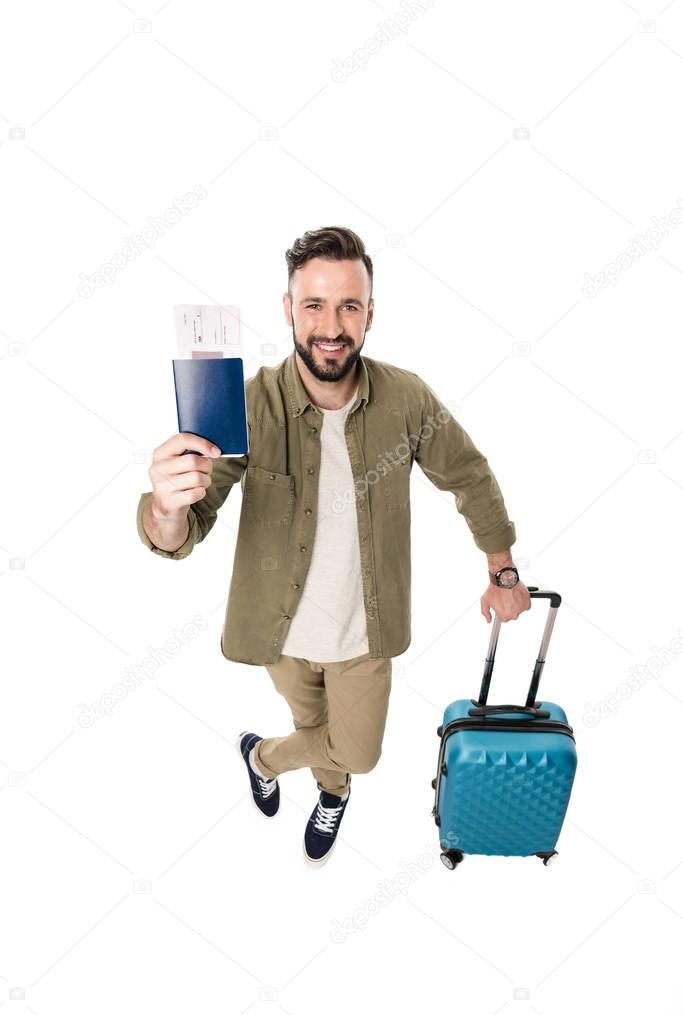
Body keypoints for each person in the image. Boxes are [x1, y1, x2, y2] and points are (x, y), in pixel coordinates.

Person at [136, 225, 531, 867]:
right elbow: (186, 526)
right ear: (289, 310)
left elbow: (468, 475)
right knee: (322, 732)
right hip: (280, 635)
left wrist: (503, 572)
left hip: (364, 634)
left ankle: (262, 757)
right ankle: (329, 793)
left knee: (358, 752)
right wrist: (165, 507)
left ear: (370, 315)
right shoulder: (247, 404)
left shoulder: (406, 398)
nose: (331, 325)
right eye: (314, 304)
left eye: (349, 305)